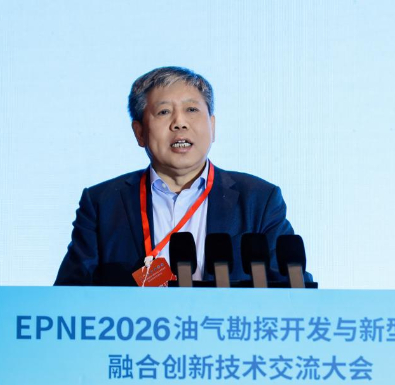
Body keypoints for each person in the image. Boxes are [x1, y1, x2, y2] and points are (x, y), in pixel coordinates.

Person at [55, 66, 306, 286]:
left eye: (192, 109)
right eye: (164, 112)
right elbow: (68, 298)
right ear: (139, 132)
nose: (179, 123)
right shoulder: (102, 203)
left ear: (212, 126)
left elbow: (294, 292)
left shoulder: (259, 200)